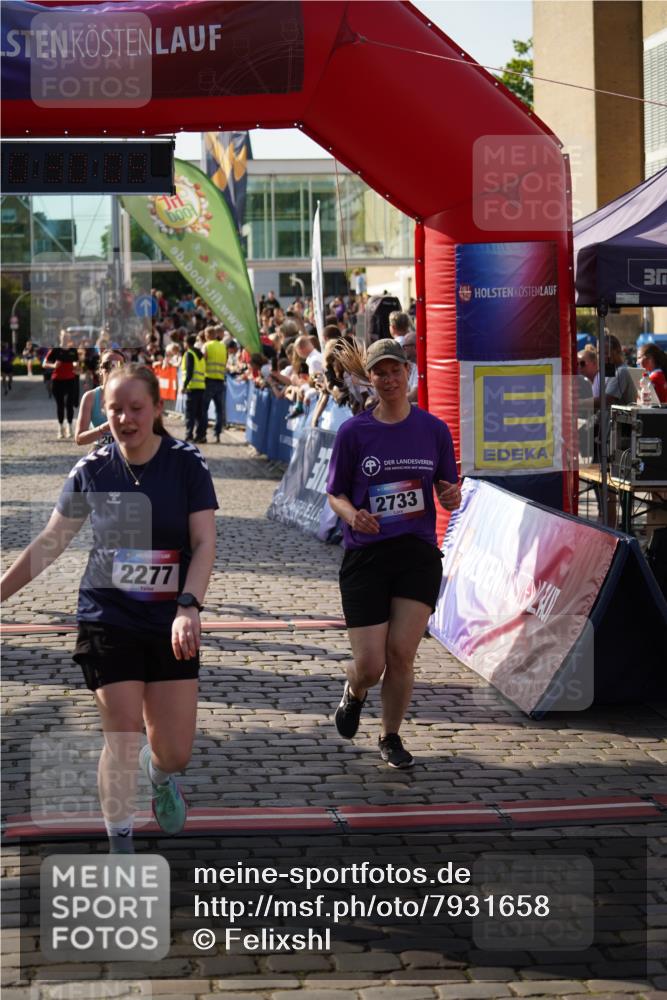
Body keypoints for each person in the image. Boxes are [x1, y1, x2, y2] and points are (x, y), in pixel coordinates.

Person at [0, 364, 218, 853]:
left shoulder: (186, 463)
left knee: (175, 752)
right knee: (120, 734)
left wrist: (189, 605)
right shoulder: (92, 469)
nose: (125, 418)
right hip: (108, 618)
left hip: (169, 623)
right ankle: (121, 843)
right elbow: (49, 543)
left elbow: (204, 543)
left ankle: (159, 776)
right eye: (115, 409)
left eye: (136, 407)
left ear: (158, 409)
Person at [326, 339, 461, 769]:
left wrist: (452, 496)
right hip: (367, 556)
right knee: (370, 664)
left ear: (408, 373)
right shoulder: (354, 432)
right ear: (370, 379)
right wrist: (353, 516)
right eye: (379, 373)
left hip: (417, 554)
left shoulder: (434, 431)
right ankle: (355, 689)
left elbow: (446, 493)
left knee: (401, 653)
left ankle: (390, 735)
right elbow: (336, 494)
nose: (388, 379)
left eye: (395, 371)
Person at [74, 350, 125, 447]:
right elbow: (79, 439)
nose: (112, 369)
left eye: (118, 365)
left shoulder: (132, 394)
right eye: (107, 365)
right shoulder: (90, 397)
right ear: (100, 369)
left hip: (127, 453)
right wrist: (104, 428)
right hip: (100, 451)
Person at [44, 330, 80, 439]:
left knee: (69, 404)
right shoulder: (55, 351)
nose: (65, 338)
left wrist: (76, 366)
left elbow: (78, 367)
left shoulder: (73, 351)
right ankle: (60, 428)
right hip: (57, 381)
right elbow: (44, 363)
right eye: (63, 336)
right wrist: (54, 366)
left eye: (67, 337)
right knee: (60, 405)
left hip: (70, 380)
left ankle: (70, 427)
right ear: (60, 337)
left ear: (69, 339)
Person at [203, 325, 228, 442]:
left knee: (204, 408)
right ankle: (217, 434)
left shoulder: (207, 346)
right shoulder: (223, 346)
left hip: (208, 380)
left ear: (208, 335)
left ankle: (202, 433)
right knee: (219, 410)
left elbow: (203, 360)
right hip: (220, 380)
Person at [181, 333, 207, 443]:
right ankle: (201, 436)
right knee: (200, 414)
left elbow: (189, 372)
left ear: (186, 343)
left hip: (192, 388)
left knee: (190, 414)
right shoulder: (200, 354)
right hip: (201, 387)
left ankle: (189, 435)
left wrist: (184, 386)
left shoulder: (189, 354)